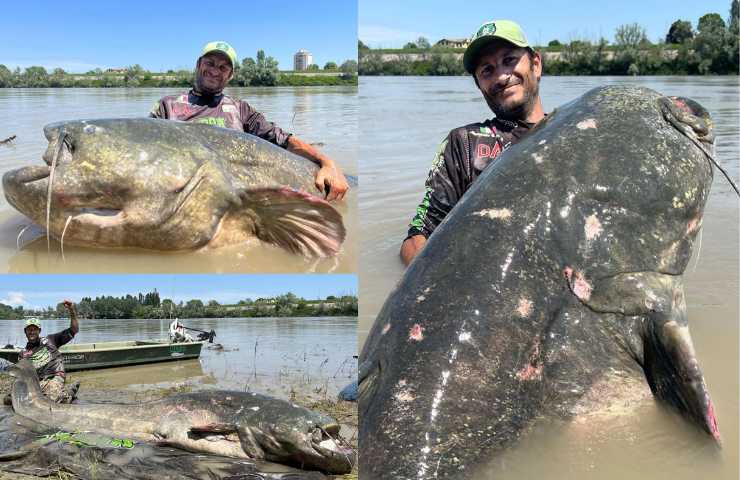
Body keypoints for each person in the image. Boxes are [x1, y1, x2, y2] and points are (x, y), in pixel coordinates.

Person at [400, 20, 546, 266]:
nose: (501, 76)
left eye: (509, 60)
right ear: (479, 86)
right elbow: (417, 236)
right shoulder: (463, 144)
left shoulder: (573, 131)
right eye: (486, 70)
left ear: (536, 64)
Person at [150, 41, 349, 201]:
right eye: (210, 63)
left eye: (223, 67)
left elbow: (282, 140)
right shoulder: (167, 106)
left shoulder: (241, 109)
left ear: (230, 75)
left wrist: (327, 162)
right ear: (198, 64)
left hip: (232, 198)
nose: (215, 70)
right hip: (181, 195)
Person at [18, 300, 80, 403]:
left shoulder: (51, 340)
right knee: (10, 400)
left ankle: (68, 393)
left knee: (50, 400)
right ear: (25, 332)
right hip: (37, 383)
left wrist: (71, 310)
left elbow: (74, 330)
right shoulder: (22, 354)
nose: (32, 332)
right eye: (29, 329)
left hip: (54, 377)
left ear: (39, 331)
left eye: (35, 329)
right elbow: (23, 376)